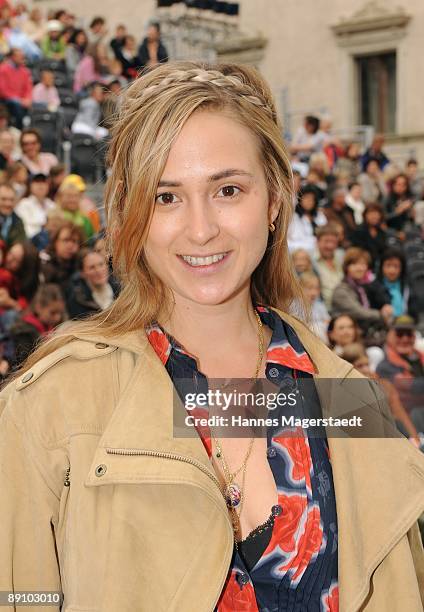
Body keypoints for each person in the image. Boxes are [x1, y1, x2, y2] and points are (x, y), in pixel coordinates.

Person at [0, 61, 423, 612]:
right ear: (130, 210)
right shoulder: (52, 407)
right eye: (165, 196)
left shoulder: (348, 401)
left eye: (227, 189)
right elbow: (19, 597)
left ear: (273, 199)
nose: (201, 229)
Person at [340, 342, 420, 444]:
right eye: (360, 366)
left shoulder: (383, 385)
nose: (366, 370)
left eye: (367, 364)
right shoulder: (343, 392)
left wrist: (415, 439)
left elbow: (400, 414)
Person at [377, 315, 424, 433]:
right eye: (399, 334)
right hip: (406, 425)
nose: (404, 339)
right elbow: (413, 388)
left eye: (408, 334)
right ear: (390, 335)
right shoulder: (385, 367)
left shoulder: (420, 357)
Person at [331, 247, 393, 336]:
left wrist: (386, 308)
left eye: (363, 264)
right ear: (346, 267)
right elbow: (359, 312)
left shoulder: (363, 286)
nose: (360, 268)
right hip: (347, 336)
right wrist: (381, 314)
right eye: (355, 264)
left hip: (365, 332)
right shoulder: (341, 291)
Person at [9, 282, 65, 367]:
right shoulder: (23, 331)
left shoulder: (53, 327)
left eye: (60, 313)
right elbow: (23, 362)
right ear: (39, 307)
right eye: (53, 313)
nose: (57, 317)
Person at [65, 248, 118, 319]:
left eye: (101, 264)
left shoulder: (119, 287)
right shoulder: (78, 299)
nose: (98, 271)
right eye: (92, 267)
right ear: (82, 273)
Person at [287, 184, 327, 255]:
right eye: (306, 198)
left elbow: (325, 235)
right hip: (298, 253)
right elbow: (292, 241)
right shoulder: (292, 217)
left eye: (312, 199)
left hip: (319, 252)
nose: (309, 201)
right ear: (300, 199)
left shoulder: (319, 216)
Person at [14, 172, 56, 239]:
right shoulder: (23, 204)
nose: (41, 185)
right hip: (32, 241)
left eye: (44, 182)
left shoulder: (52, 205)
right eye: (37, 182)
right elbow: (24, 229)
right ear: (30, 185)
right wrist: (44, 227)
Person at [313, 224, 344, 311]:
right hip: (325, 309)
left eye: (333, 242)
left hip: (345, 305)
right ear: (317, 242)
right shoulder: (311, 261)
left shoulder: (341, 258)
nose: (329, 246)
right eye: (326, 241)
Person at [350, 202, 387, 273]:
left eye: (376, 213)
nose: (374, 216)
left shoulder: (382, 232)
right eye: (371, 213)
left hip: (380, 267)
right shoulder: (358, 231)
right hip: (363, 266)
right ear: (365, 215)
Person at [0, 47, 32, 129]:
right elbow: (3, 90)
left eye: (22, 56)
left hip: (22, 100)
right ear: (12, 57)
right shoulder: (3, 69)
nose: (22, 58)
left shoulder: (25, 71)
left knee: (37, 105)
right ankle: (19, 128)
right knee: (16, 104)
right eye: (19, 56)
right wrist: (20, 100)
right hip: (7, 100)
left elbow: (28, 88)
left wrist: (27, 99)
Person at [0, 182, 26, 247]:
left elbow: (22, 241)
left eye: (11, 200)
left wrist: (18, 247)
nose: (8, 204)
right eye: (4, 199)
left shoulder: (18, 221)